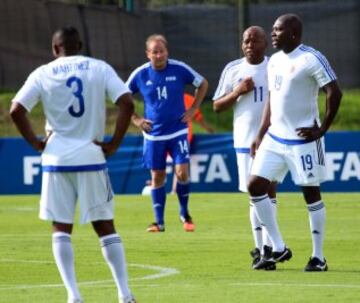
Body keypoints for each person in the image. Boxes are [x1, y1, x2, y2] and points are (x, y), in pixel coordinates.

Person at [10, 26, 137, 303]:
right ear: (80, 45)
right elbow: (127, 102)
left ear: (55, 48)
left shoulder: (43, 73)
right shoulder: (99, 68)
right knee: (105, 226)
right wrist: (114, 142)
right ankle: (125, 294)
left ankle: (73, 294)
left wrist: (35, 142)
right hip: (91, 157)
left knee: (61, 228)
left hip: (56, 160)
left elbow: (16, 109)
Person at [247, 14, 342, 271]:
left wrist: (321, 129)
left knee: (310, 194)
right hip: (275, 138)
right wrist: (260, 133)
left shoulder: (310, 58)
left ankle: (318, 257)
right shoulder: (274, 61)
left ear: (294, 34)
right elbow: (272, 97)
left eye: (278, 30)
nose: (273, 34)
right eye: (273, 29)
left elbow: (334, 91)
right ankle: (278, 247)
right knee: (255, 185)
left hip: (303, 141)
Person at [126, 34, 208, 232]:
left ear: (167, 52)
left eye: (162, 51)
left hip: (178, 130)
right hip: (154, 135)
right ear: (148, 54)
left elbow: (203, 83)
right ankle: (159, 222)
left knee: (182, 171)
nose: (159, 55)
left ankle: (184, 213)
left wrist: (193, 109)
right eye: (155, 51)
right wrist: (136, 119)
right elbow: (122, 96)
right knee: (158, 176)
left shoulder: (179, 68)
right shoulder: (140, 74)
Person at [213, 26, 278, 270]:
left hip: (273, 140)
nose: (249, 45)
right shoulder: (233, 69)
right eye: (246, 41)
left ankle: (270, 249)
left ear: (265, 44)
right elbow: (217, 105)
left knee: (270, 192)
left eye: (255, 41)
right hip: (244, 142)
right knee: (255, 195)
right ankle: (262, 249)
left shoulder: (274, 66)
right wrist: (238, 91)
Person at [170, 93, 214, 193]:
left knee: (179, 164)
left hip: (179, 136)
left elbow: (198, 117)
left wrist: (207, 129)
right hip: (177, 136)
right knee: (179, 163)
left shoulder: (186, 98)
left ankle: (175, 190)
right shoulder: (186, 98)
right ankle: (173, 189)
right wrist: (208, 129)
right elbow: (199, 118)